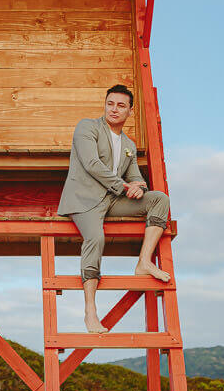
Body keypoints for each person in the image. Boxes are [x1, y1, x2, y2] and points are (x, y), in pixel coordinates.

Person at [57, 84, 170, 334]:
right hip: (84, 201)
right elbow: (91, 164)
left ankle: (144, 262)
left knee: (159, 199)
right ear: (105, 105)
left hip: (112, 200)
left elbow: (135, 176)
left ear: (130, 111)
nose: (114, 109)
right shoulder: (87, 127)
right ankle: (90, 312)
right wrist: (125, 186)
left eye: (120, 105)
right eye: (110, 104)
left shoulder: (128, 143)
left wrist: (139, 187)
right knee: (96, 238)